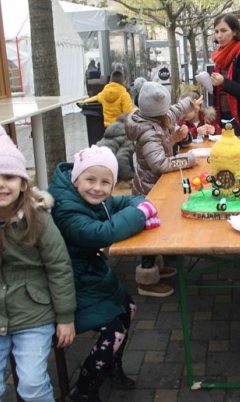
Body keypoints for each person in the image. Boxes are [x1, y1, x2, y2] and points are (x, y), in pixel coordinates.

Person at [0, 122, 76, 402]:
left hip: (34, 314)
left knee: (32, 384)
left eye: (8, 176)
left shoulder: (39, 219)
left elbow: (59, 267)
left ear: (22, 182)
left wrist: (65, 317)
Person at [49, 145, 159, 401]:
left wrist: (142, 205)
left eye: (105, 182)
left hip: (91, 275)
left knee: (128, 308)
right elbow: (103, 233)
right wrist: (141, 214)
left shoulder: (88, 197)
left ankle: (109, 365)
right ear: (76, 178)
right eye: (90, 180)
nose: (97, 188)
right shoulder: (66, 210)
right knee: (114, 331)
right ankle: (85, 390)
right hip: (69, 286)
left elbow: (123, 201)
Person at [126, 81, 200, 297]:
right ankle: (147, 279)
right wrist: (188, 159)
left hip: (155, 185)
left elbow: (173, 110)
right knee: (149, 231)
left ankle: (157, 266)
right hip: (149, 189)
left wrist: (189, 103)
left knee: (156, 226)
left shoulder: (153, 117)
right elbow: (160, 164)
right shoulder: (148, 132)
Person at [96, 113, 135, 188]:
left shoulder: (111, 132)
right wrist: (130, 177)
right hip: (103, 167)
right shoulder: (127, 137)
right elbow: (121, 160)